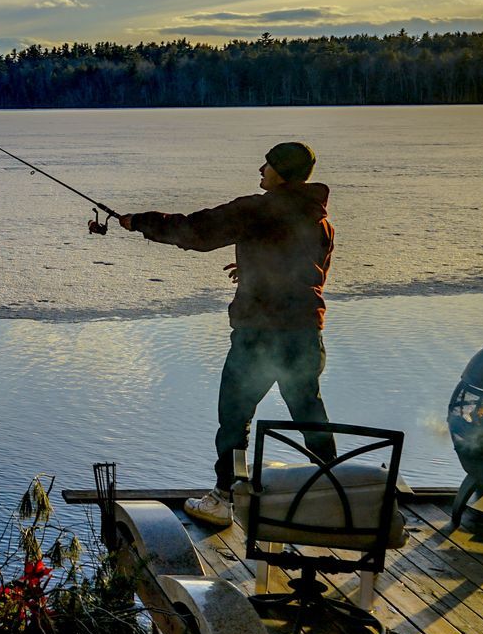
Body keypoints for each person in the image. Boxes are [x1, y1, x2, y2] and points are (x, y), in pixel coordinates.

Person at [119, 141, 335, 527]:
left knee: (235, 417)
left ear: (282, 172)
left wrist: (139, 221)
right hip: (304, 333)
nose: (260, 170)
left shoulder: (256, 210)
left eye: (267, 165)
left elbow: (195, 232)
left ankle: (224, 497)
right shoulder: (320, 219)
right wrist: (253, 266)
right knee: (309, 413)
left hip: (260, 336)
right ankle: (334, 489)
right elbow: (308, 270)